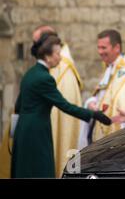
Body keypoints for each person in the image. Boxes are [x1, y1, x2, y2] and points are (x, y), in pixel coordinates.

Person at [11, 34, 111, 178]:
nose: (60, 57)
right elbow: (65, 106)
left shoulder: (30, 73)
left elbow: (18, 105)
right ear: (48, 56)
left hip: (23, 130)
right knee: (39, 170)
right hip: (37, 132)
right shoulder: (45, 78)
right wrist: (93, 115)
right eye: (58, 53)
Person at [32, 25, 83, 178]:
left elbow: (65, 108)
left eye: (36, 43)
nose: (33, 48)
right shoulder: (50, 64)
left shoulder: (63, 67)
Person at [78, 29, 125, 148]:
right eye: (98, 47)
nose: (100, 51)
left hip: (115, 141)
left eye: (104, 48)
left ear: (117, 48)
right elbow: (100, 95)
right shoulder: (110, 68)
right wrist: (92, 103)